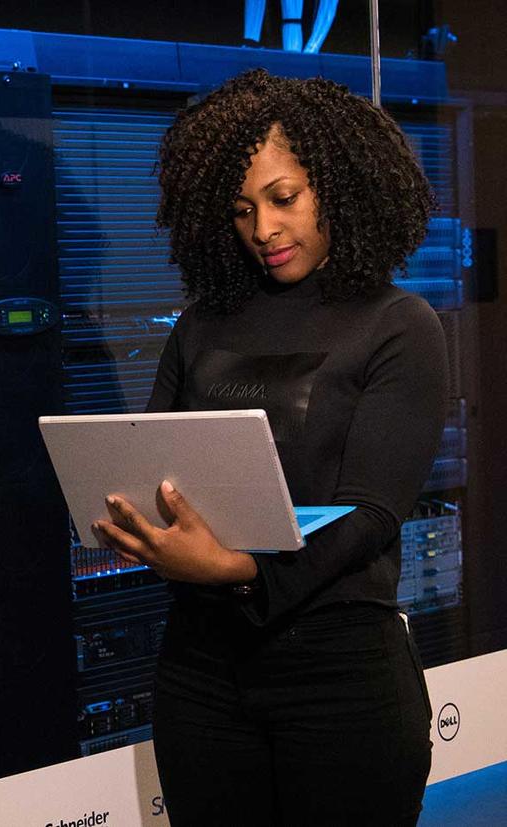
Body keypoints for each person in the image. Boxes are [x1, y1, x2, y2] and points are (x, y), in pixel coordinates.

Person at [90, 68, 446, 826]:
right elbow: (152, 467)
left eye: (284, 199)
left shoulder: (398, 324)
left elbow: (372, 513)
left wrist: (241, 571)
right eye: (243, 209)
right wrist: (125, 516)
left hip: (341, 680)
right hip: (201, 676)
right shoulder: (201, 327)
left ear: (339, 187)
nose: (263, 229)